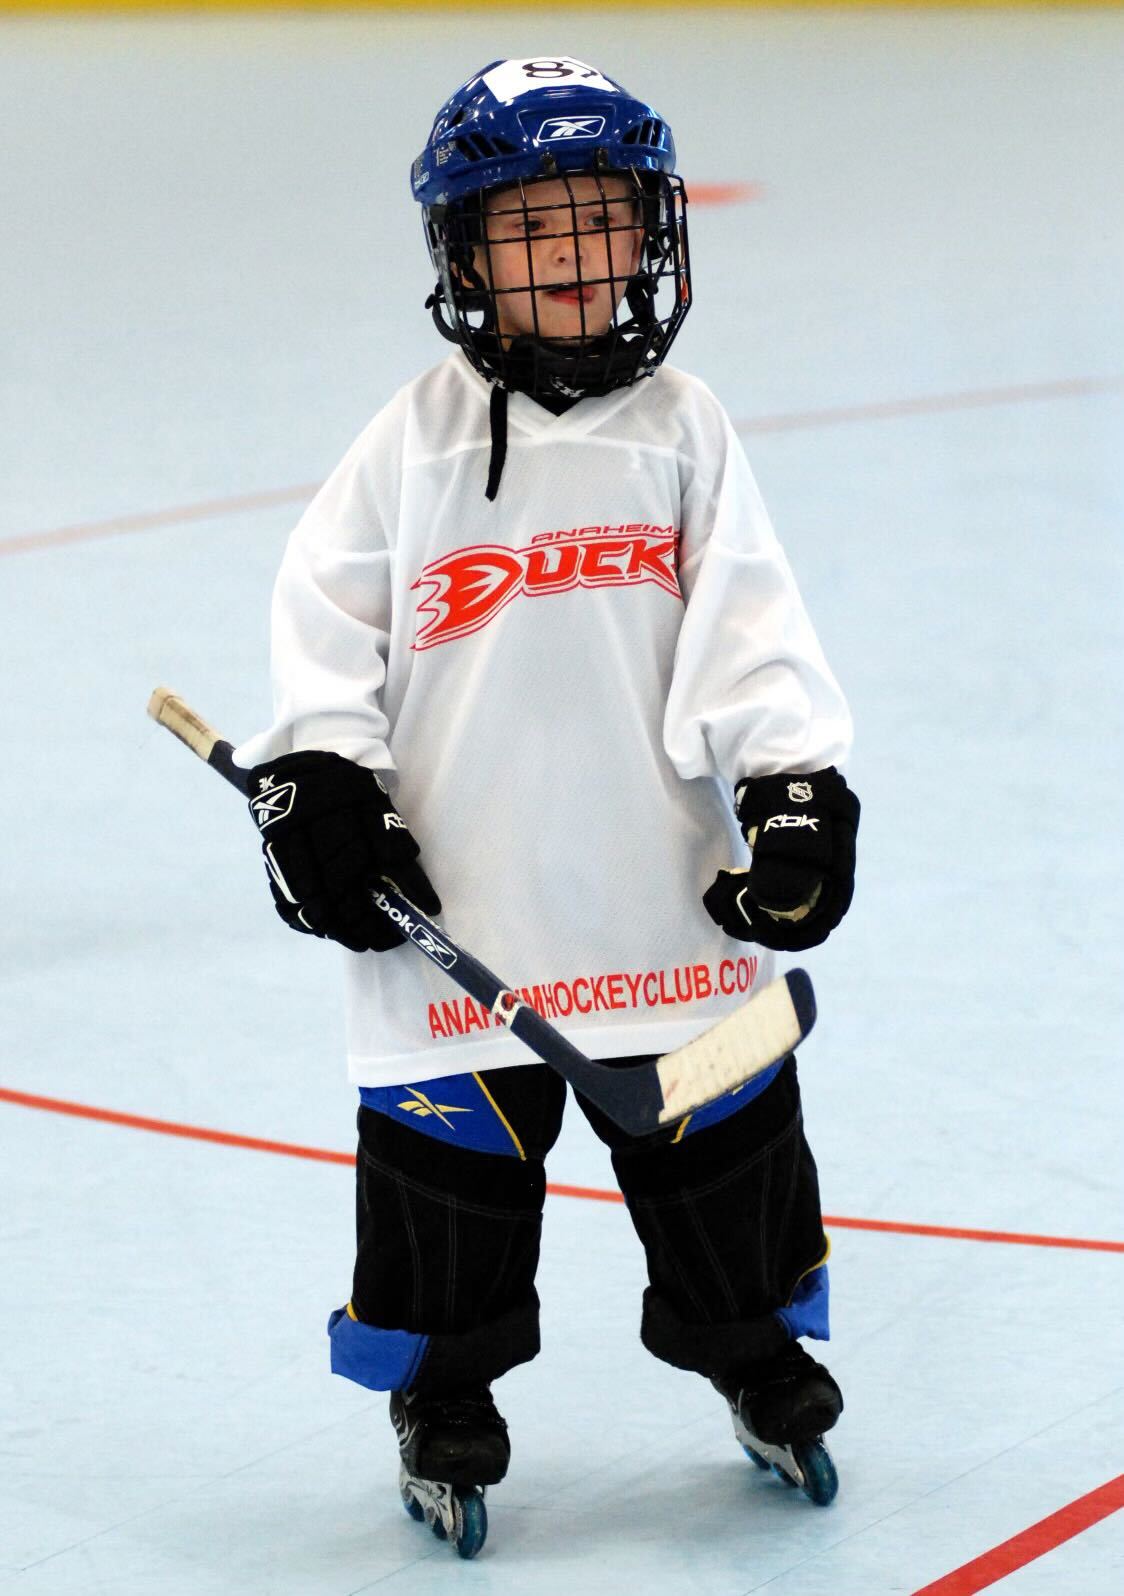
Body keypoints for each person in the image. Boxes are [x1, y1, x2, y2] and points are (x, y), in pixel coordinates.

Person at [235, 56, 860, 1556]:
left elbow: (753, 635)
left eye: (604, 217)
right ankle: (443, 1396)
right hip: (461, 914)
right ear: (464, 257)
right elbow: (323, 629)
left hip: (664, 908)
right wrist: (322, 781)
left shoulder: (685, 430)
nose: (579, 255)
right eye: (532, 227)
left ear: (654, 230)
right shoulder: (412, 446)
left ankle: (754, 1354)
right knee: (448, 1193)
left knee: (730, 1169)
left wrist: (791, 793)